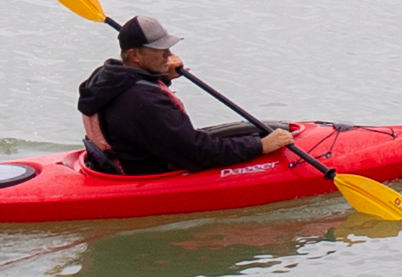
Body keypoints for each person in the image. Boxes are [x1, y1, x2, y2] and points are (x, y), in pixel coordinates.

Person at [77, 17, 290, 177]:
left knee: (252, 131)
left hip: (118, 162)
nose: (168, 54)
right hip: (149, 174)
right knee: (252, 140)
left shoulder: (104, 77)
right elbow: (196, 153)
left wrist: (159, 76)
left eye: (167, 47)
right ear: (135, 56)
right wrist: (260, 146)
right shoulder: (144, 101)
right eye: (160, 49)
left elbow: (133, 102)